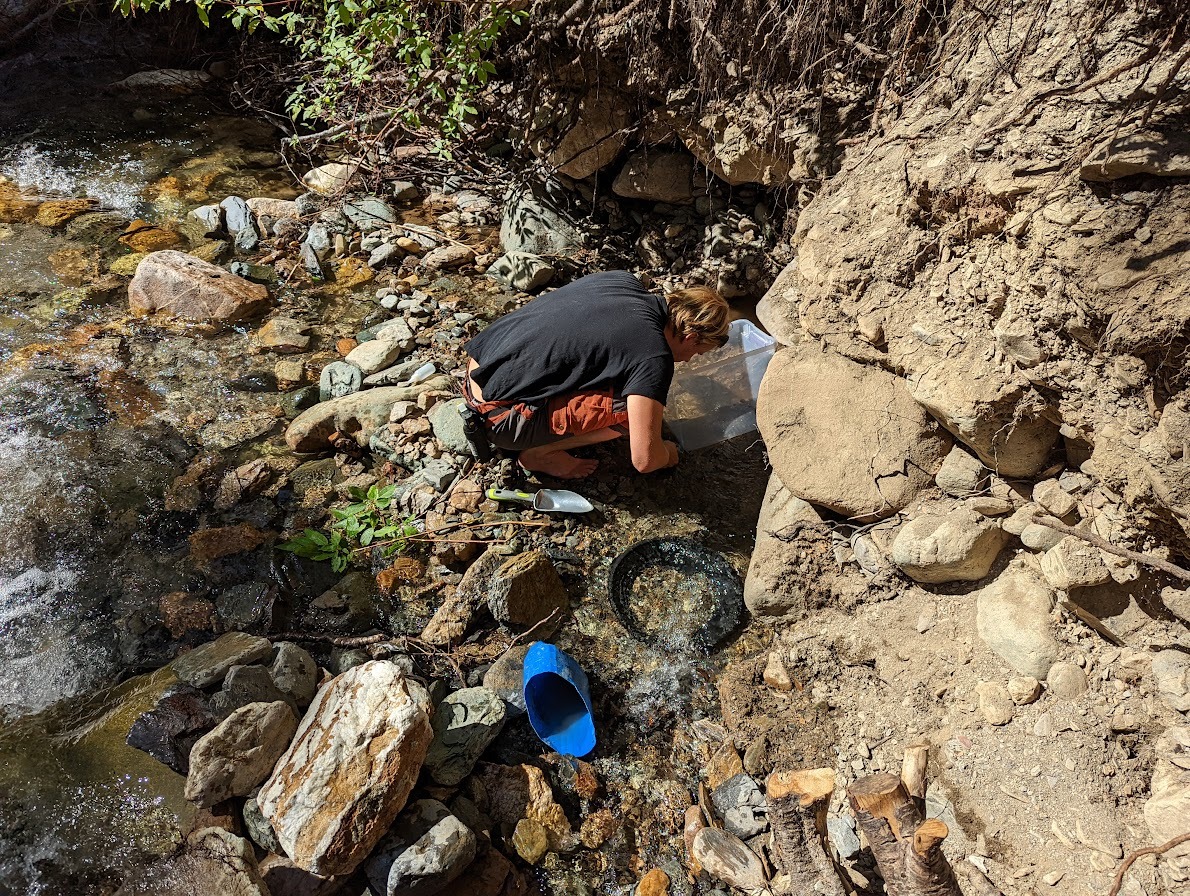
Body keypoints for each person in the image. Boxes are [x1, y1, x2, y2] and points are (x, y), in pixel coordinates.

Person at [462, 270, 730, 479]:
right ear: (691, 337)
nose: (691, 359)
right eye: (698, 353)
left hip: (477, 368)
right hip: (499, 418)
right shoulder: (654, 356)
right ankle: (541, 454)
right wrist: (667, 453)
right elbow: (644, 461)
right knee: (632, 412)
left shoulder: (620, 281)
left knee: (616, 372)